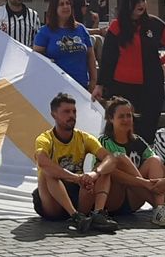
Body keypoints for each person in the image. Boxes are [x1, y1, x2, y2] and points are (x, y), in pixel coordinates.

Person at [98, 0, 165, 142]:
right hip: (122, 88)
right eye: (136, 1)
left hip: (151, 86)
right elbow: (107, 59)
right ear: (127, 4)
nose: (141, 4)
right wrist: (100, 85)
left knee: (148, 127)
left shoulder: (153, 23)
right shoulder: (117, 27)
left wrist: (161, 61)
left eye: (143, 0)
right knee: (122, 129)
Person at [32, 93, 119, 233]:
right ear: (54, 115)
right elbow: (42, 162)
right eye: (66, 112)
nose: (71, 115)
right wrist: (76, 178)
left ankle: (97, 214)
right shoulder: (44, 139)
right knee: (48, 172)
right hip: (53, 200)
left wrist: (94, 174)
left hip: (78, 193)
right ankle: (75, 216)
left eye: (74, 111)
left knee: (104, 169)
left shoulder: (84, 137)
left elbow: (110, 159)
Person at [98, 97, 165, 228]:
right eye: (121, 116)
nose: (126, 120)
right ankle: (159, 206)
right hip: (114, 196)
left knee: (155, 160)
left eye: (129, 116)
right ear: (110, 119)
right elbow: (104, 172)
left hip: (135, 197)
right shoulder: (104, 141)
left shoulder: (137, 141)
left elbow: (158, 164)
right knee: (121, 159)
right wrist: (144, 183)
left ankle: (160, 209)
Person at [33, 0, 96, 94]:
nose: (66, 7)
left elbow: (90, 57)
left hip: (81, 87)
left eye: (68, 3)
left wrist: (93, 83)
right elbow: (37, 59)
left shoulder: (81, 29)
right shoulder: (45, 32)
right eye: (61, 4)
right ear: (54, 8)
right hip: (55, 89)